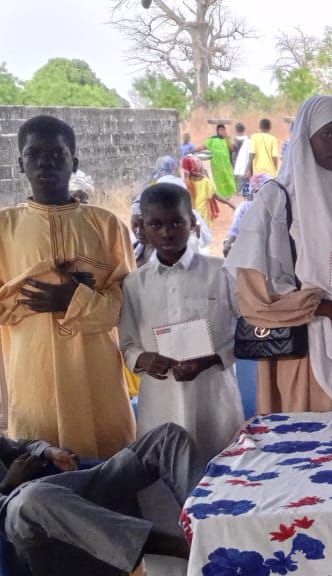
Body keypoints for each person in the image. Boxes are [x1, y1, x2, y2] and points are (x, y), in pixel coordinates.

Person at [226, 95, 332, 413]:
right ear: (306, 138)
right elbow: (252, 291)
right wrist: (329, 309)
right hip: (308, 346)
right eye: (328, 134)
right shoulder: (279, 199)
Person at [0, 115, 135, 459]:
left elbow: (126, 305)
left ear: (73, 162)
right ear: (20, 164)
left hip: (97, 376)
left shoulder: (106, 226)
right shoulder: (4, 227)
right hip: (33, 377)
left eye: (57, 155)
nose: (45, 163)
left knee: (110, 468)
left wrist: (74, 300)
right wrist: (38, 286)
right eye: (34, 154)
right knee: (38, 465)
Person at [120, 183, 243, 464]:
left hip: (214, 398)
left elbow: (245, 331)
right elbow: (126, 343)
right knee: (163, 473)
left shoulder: (220, 272)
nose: (166, 232)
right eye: (156, 224)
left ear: (193, 222)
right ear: (141, 228)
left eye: (176, 222)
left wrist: (212, 359)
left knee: (222, 469)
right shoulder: (134, 284)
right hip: (160, 399)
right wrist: (143, 358)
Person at [2, 423, 201, 575]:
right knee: (32, 500)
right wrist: (8, 484)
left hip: (53, 493)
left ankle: (205, 526)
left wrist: (49, 452)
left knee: (167, 438)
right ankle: (185, 548)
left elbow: (22, 446)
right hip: (14, 525)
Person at [223, 173, 270, 257]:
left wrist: (228, 242)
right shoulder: (245, 207)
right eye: (256, 191)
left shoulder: (275, 208)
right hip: (254, 251)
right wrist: (228, 242)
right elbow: (236, 227)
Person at [201, 124, 237, 199]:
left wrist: (226, 137)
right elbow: (203, 146)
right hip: (216, 165)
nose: (222, 131)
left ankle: (229, 194)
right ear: (217, 131)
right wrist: (192, 150)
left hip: (227, 164)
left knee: (228, 179)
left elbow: (232, 149)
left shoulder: (228, 139)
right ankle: (222, 195)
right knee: (219, 180)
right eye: (220, 130)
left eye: (223, 130)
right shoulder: (212, 139)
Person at [233, 122, 252, 196]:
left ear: (236, 130)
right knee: (246, 179)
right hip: (246, 161)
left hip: (238, 161)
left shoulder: (235, 139)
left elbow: (234, 151)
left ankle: (239, 192)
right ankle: (246, 192)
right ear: (244, 129)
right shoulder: (248, 139)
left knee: (238, 177)